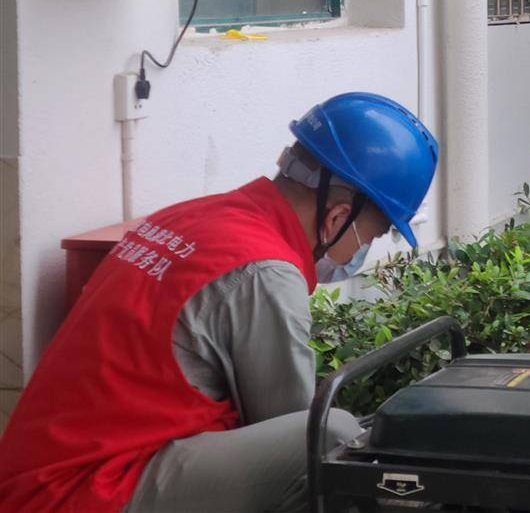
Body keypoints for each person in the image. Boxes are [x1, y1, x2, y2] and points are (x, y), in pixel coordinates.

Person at [0, 92, 439, 513]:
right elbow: (294, 429)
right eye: (373, 236)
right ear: (337, 218)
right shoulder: (264, 272)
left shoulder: (194, 216)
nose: (364, 250)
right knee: (330, 437)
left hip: (41, 475)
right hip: (89, 492)